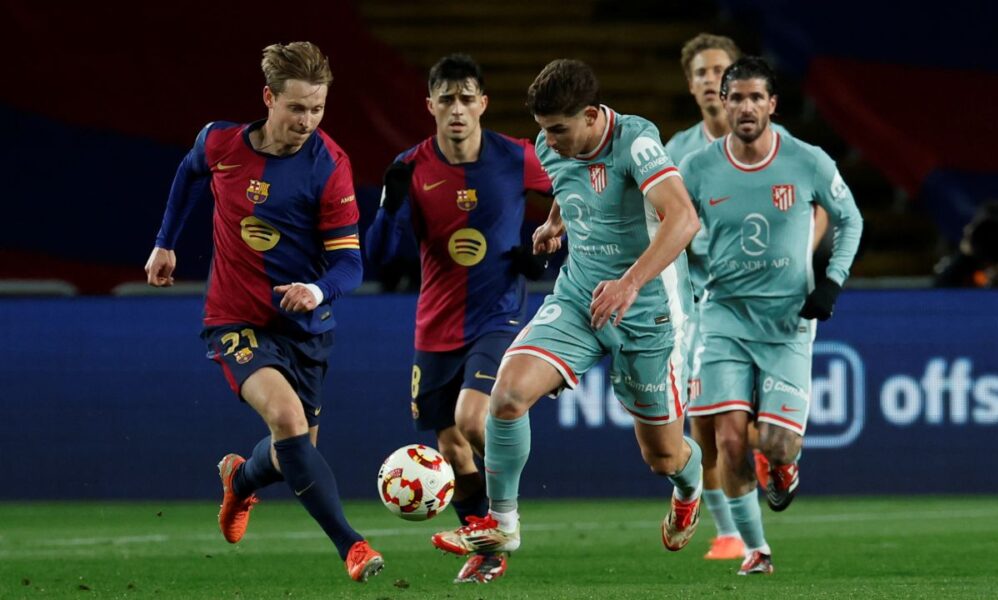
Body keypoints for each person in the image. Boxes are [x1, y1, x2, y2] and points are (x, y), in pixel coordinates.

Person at [431, 59, 704, 567]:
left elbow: (683, 217)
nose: (549, 142)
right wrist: (557, 222)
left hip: (649, 312)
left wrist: (628, 284)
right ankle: (503, 525)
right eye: (543, 130)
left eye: (559, 130)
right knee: (507, 396)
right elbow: (568, 183)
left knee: (662, 456)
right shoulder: (548, 144)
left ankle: (689, 489)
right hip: (579, 297)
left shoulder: (635, 141)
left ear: (592, 115)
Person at [144, 41, 383, 583]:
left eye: (318, 109)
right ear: (269, 98)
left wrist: (317, 291)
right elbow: (188, 173)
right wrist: (166, 242)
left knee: (290, 454)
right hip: (235, 319)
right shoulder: (221, 141)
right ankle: (354, 545)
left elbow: (350, 263)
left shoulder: (330, 167)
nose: (308, 121)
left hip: (305, 327)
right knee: (287, 420)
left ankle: (240, 479)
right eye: (297, 108)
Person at [365, 53, 552, 584]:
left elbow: (572, 197)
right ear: (430, 106)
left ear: (483, 104)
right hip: (436, 324)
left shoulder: (516, 157)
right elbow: (381, 253)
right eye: (446, 99)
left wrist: (545, 248)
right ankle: (488, 548)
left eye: (467, 98)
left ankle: (504, 516)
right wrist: (389, 205)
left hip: (498, 316)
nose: (457, 109)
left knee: (475, 421)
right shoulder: (411, 166)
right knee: (449, 445)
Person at [680, 56, 863, 575]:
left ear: (772, 104)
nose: (745, 107)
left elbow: (851, 220)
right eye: (735, 97)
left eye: (756, 97)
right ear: (723, 101)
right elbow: (669, 226)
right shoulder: (698, 168)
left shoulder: (807, 161)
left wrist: (831, 281)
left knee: (779, 445)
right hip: (724, 318)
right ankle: (756, 550)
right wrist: (685, 280)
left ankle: (782, 467)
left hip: (787, 322)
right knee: (728, 437)